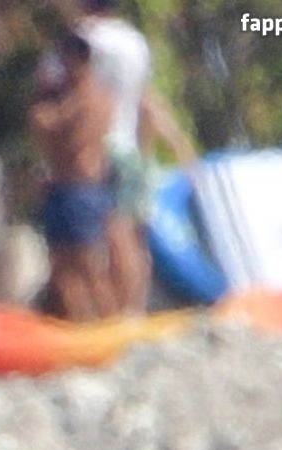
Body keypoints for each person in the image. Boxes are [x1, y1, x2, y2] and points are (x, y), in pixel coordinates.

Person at [70, 0, 197, 314]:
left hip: (101, 145)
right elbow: (145, 99)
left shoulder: (86, 39)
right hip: (129, 146)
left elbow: (83, 95)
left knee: (111, 233)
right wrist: (173, 145)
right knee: (132, 235)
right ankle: (132, 308)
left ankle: (116, 312)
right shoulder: (133, 41)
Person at [29, 31, 116, 322]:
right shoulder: (66, 96)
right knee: (61, 268)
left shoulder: (90, 96)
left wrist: (49, 118)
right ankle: (77, 326)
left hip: (81, 189)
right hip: (60, 188)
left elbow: (69, 138)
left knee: (88, 265)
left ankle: (109, 326)